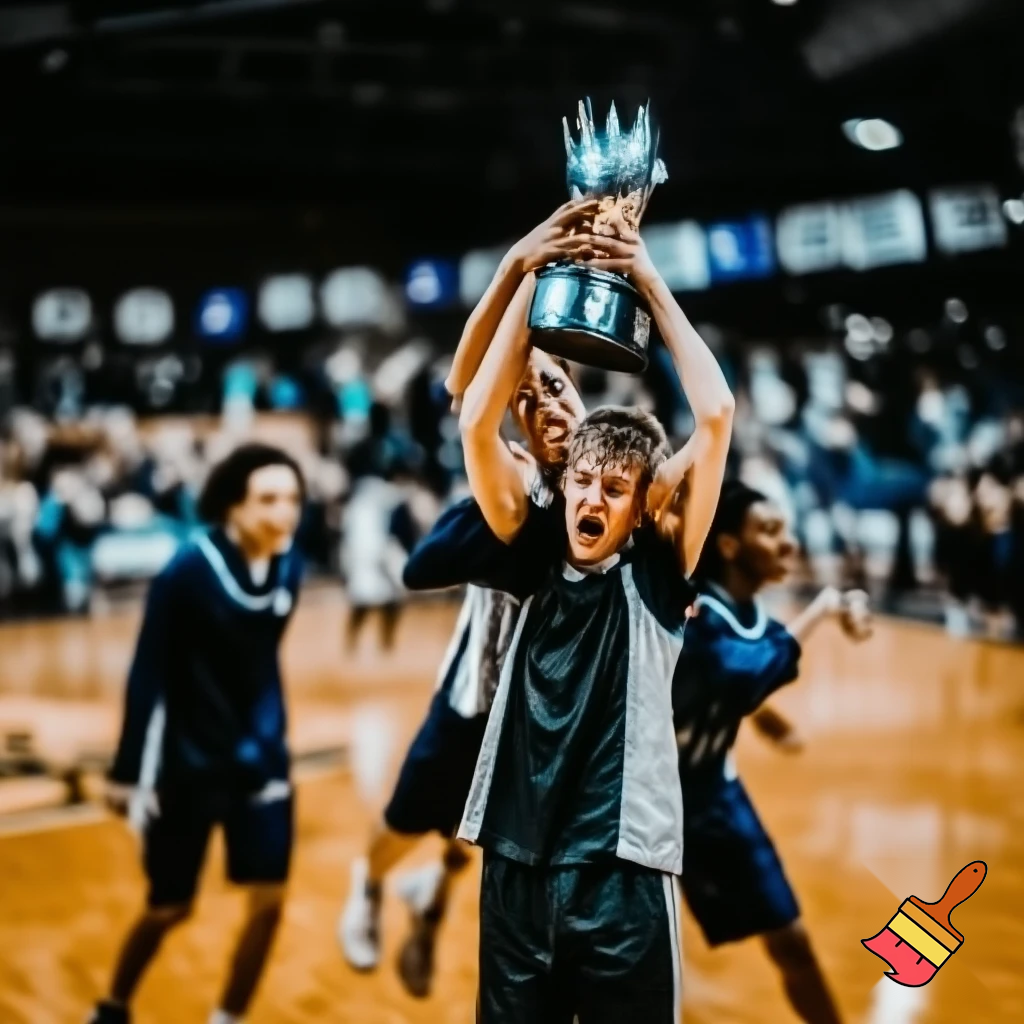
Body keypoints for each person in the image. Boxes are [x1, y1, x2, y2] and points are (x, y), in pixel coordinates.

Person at [401, 222, 735, 1023]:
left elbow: (715, 414)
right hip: (516, 849)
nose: (592, 497)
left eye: (614, 488)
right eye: (585, 482)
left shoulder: (657, 546)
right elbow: (470, 408)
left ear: (644, 498)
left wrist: (647, 280)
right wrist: (529, 268)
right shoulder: (527, 531)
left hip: (619, 864)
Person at [339, 202, 592, 997]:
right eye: (527, 398)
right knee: (412, 817)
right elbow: (465, 394)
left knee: (484, 839)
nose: (545, 401)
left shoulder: (614, 469)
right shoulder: (516, 484)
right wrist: (521, 266)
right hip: (474, 696)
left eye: (554, 385)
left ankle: (433, 895)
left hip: (551, 712)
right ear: (515, 430)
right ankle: (371, 881)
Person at [89, 443, 305, 1024]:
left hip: (262, 760)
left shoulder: (290, 564)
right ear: (232, 507)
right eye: (267, 500)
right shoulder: (186, 570)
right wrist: (128, 768)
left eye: (291, 499)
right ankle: (113, 1006)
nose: (283, 513)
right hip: (188, 763)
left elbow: (260, 659)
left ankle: (226, 1019)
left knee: (269, 903)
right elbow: (147, 671)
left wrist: (267, 735)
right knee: (170, 907)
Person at [671, 480, 872, 1024]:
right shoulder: (694, 608)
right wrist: (825, 609)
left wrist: (765, 718)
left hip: (714, 796)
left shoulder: (746, 613)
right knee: (624, 966)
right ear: (731, 546)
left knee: (793, 941)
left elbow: (741, 666)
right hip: (644, 805)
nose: (789, 543)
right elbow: (740, 675)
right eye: (770, 531)